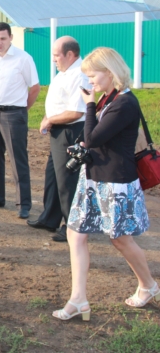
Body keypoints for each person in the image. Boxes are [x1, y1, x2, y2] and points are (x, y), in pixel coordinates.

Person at [53, 47, 157, 321]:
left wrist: (89, 104)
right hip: (94, 178)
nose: (90, 82)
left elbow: (91, 137)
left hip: (115, 183)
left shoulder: (124, 103)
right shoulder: (111, 99)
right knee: (75, 233)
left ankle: (148, 286)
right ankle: (78, 300)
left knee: (121, 240)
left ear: (110, 73)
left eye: (93, 76)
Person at [27, 37, 89, 242]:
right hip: (58, 131)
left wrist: (50, 119)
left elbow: (76, 112)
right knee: (53, 177)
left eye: (56, 55)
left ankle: (71, 225)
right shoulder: (65, 72)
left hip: (71, 132)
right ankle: (50, 218)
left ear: (70, 54)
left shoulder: (79, 75)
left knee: (67, 181)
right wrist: (49, 118)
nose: (53, 59)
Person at [0, 22, 40, 218]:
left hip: (14, 114)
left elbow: (35, 88)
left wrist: (21, 110)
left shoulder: (24, 59)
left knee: (17, 160)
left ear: (11, 37)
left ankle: (24, 204)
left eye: (3, 38)